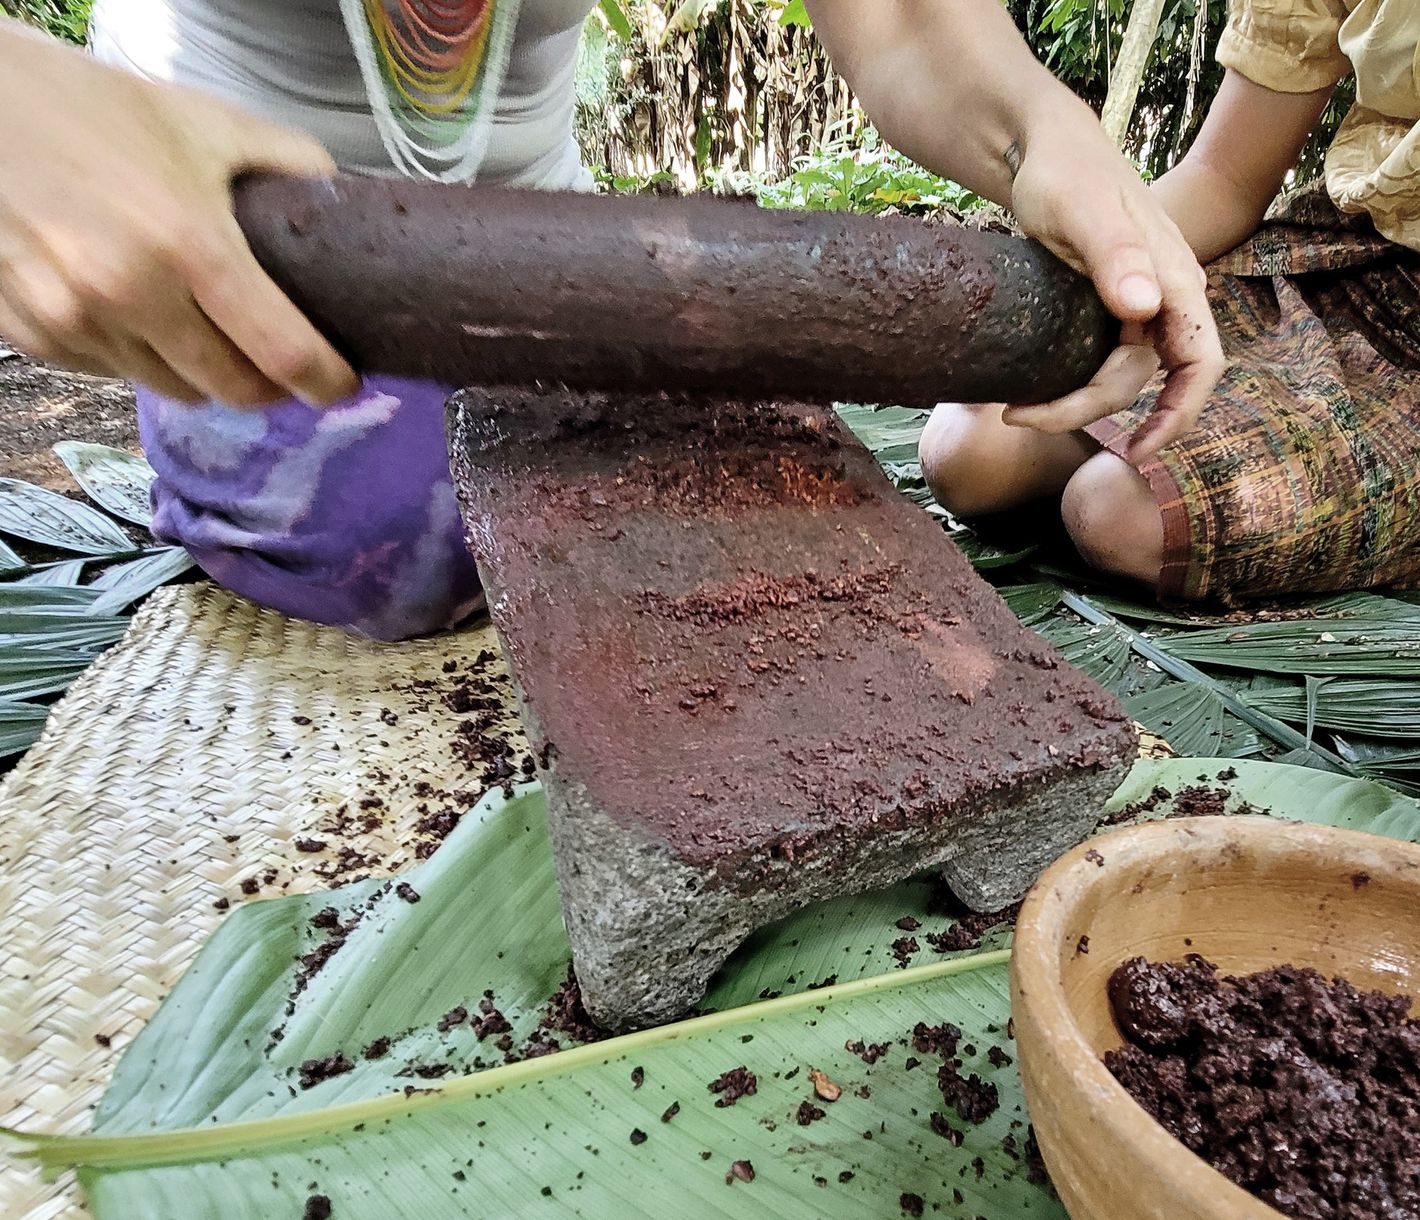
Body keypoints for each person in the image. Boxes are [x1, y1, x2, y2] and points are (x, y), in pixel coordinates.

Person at [0, 0, 1220, 640]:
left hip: (560, 265)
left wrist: (1044, 135)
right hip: (251, 278)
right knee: (401, 538)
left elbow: (900, 17)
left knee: (748, 505)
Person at [921, 0, 1420, 605]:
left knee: (1114, 511)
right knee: (968, 449)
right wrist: (1105, 265)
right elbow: (1225, 174)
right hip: (1344, 254)